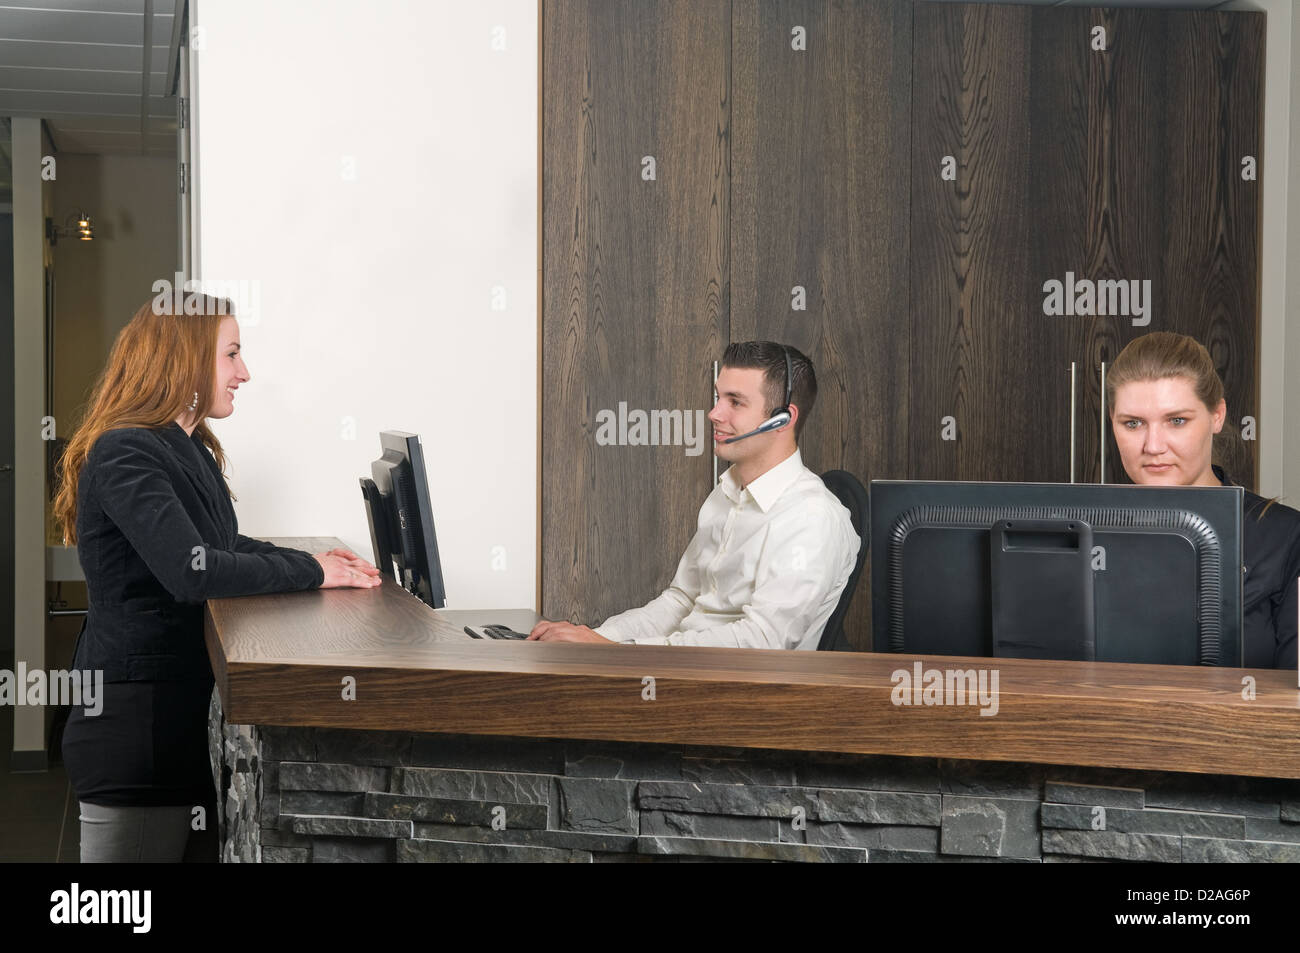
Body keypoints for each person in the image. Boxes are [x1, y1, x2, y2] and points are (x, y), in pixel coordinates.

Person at [52, 292, 382, 862]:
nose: (244, 373)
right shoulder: (126, 450)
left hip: (173, 723)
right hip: (136, 730)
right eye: (232, 354)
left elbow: (220, 547)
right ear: (184, 359)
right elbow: (191, 569)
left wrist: (321, 564)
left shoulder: (188, 446)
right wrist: (311, 571)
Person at [529, 341, 859, 649]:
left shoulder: (811, 518)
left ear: (782, 420)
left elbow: (762, 641)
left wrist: (620, 651)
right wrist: (598, 638)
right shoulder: (727, 493)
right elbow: (681, 600)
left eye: (736, 402)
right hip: (680, 671)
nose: (715, 414)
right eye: (719, 398)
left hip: (733, 695)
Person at [1107, 331, 1300, 669]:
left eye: (1176, 421)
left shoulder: (1285, 538)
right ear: (1113, 423)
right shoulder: (1083, 533)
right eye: (1133, 423)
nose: (1153, 446)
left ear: (1217, 416)